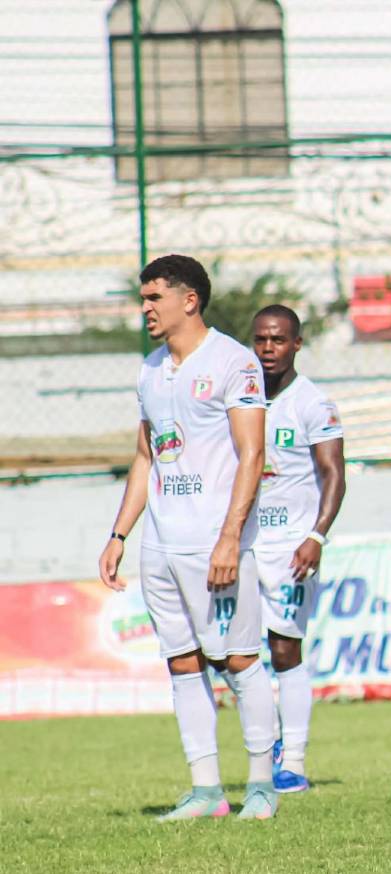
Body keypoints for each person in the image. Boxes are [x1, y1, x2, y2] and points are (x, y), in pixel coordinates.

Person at [97, 254, 279, 820]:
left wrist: (230, 538)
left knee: (240, 659)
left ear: (189, 300)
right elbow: (145, 455)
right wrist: (119, 533)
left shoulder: (234, 362)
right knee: (181, 661)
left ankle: (262, 785)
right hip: (161, 544)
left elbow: (253, 454)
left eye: (155, 297)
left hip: (213, 542)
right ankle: (206, 791)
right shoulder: (151, 367)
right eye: (144, 297)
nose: (145, 307)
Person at [251, 305, 347, 794]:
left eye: (279, 340)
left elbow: (334, 474)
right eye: (261, 340)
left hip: (291, 547)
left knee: (285, 649)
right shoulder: (241, 399)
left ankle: (293, 761)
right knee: (229, 651)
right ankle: (265, 744)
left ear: (296, 344)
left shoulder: (312, 403)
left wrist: (316, 535)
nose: (269, 348)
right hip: (244, 545)